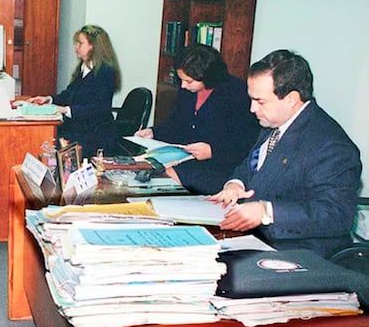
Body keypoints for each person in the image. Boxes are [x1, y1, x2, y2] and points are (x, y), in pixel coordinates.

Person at [209, 49, 362, 258]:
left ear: (291, 99)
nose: (252, 108)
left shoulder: (331, 145)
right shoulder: (274, 122)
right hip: (255, 239)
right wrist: (236, 183)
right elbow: (252, 164)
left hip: (298, 253)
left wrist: (267, 212)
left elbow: (337, 215)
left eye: (260, 101)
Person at [134, 44, 259, 194]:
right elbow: (177, 123)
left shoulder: (236, 93)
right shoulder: (189, 91)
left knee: (165, 177)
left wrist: (213, 151)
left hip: (221, 165)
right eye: (181, 80)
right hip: (187, 159)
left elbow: (246, 144)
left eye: (189, 81)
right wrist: (154, 132)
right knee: (147, 169)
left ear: (207, 76)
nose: (183, 86)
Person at [28, 24, 121, 156]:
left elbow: (99, 108)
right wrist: (48, 99)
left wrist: (66, 110)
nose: (76, 47)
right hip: (79, 126)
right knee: (45, 138)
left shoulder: (105, 72)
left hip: (94, 133)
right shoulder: (83, 68)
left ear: (93, 46)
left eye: (80, 43)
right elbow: (69, 95)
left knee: (49, 141)